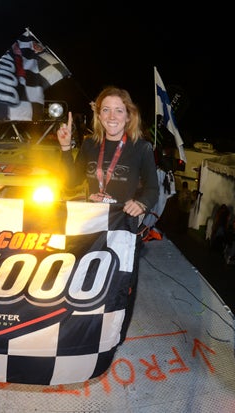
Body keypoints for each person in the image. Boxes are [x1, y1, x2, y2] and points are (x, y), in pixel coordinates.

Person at [56, 86, 159, 344]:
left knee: (121, 284)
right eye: (106, 110)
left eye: (118, 110)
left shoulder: (141, 147)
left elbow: (152, 187)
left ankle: (114, 336)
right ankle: (80, 329)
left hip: (123, 228)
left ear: (128, 116)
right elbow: (70, 183)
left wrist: (142, 203)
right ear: (99, 116)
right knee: (83, 279)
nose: (112, 116)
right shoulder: (91, 144)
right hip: (90, 226)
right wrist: (66, 148)